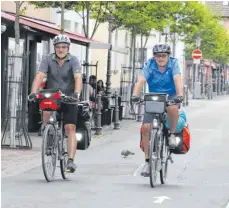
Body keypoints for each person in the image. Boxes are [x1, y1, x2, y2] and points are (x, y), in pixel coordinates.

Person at [28, 34, 82, 173]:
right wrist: (33, 92)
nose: (61, 49)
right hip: (53, 95)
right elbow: (39, 75)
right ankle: (48, 132)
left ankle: (70, 161)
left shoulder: (74, 60)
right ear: (55, 48)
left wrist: (76, 94)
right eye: (58, 47)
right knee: (46, 111)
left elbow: (77, 77)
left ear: (68, 48)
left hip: (69, 98)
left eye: (64, 47)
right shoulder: (47, 59)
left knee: (70, 128)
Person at [132, 43, 183, 177]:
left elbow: (177, 79)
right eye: (157, 56)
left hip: (171, 95)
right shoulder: (149, 64)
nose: (160, 58)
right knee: (146, 128)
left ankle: (171, 134)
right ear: (154, 57)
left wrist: (179, 96)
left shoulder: (173, 64)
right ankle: (148, 161)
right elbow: (141, 80)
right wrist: (135, 96)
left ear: (168, 56)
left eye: (163, 56)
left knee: (172, 108)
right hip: (154, 96)